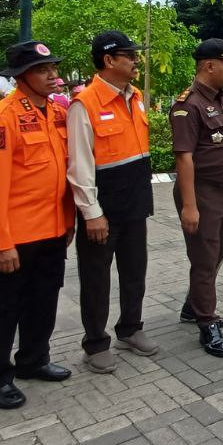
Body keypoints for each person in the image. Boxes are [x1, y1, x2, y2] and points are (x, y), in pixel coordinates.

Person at [0, 41, 74, 409]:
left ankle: (33, 360)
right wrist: (0, 242)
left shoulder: (55, 113)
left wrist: (67, 221)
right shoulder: (2, 118)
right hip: (14, 237)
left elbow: (61, 172)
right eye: (43, 70)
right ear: (21, 77)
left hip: (50, 231)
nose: (52, 76)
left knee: (42, 302)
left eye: (52, 68)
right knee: (1, 311)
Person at [68, 31, 158, 373]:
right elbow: (79, 167)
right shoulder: (84, 104)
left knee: (135, 272)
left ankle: (130, 329)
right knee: (96, 280)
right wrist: (92, 214)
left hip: (135, 204)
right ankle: (95, 344)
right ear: (109, 60)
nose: (136, 60)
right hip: (103, 211)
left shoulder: (134, 97)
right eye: (129, 55)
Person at [170, 38, 223, 358]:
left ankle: (194, 304)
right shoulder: (188, 105)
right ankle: (206, 321)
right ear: (208, 65)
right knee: (204, 259)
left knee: (215, 254)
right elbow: (184, 158)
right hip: (201, 193)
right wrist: (189, 205)